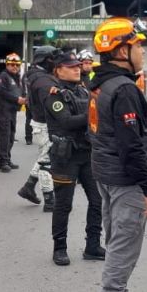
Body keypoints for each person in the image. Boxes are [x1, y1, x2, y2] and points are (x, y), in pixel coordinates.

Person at [90, 18, 147, 292]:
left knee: (117, 238)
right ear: (121, 50)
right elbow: (131, 147)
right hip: (124, 179)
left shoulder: (102, 82)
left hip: (106, 174)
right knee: (124, 243)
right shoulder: (124, 89)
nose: (142, 50)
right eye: (138, 45)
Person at [45, 52, 104, 266]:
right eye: (71, 67)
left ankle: (93, 245)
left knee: (97, 201)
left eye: (78, 66)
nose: (77, 69)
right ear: (58, 70)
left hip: (87, 153)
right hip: (65, 157)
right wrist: (94, 114)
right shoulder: (54, 95)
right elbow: (67, 121)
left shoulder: (82, 90)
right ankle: (59, 248)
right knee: (63, 205)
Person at [18, 46, 58, 210]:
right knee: (47, 162)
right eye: (52, 59)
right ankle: (49, 200)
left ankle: (28, 186)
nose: (55, 63)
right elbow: (51, 105)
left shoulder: (35, 75)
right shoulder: (42, 81)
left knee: (44, 157)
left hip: (39, 122)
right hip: (45, 124)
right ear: (45, 60)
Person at [0, 53, 26, 173]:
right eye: (12, 65)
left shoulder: (16, 77)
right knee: (5, 137)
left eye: (17, 65)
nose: (15, 67)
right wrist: (17, 99)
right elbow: (2, 92)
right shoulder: (3, 76)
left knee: (11, 137)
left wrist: (24, 98)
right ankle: (3, 162)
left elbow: (19, 91)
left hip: (12, 111)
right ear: (7, 65)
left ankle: (7, 159)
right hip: (3, 111)